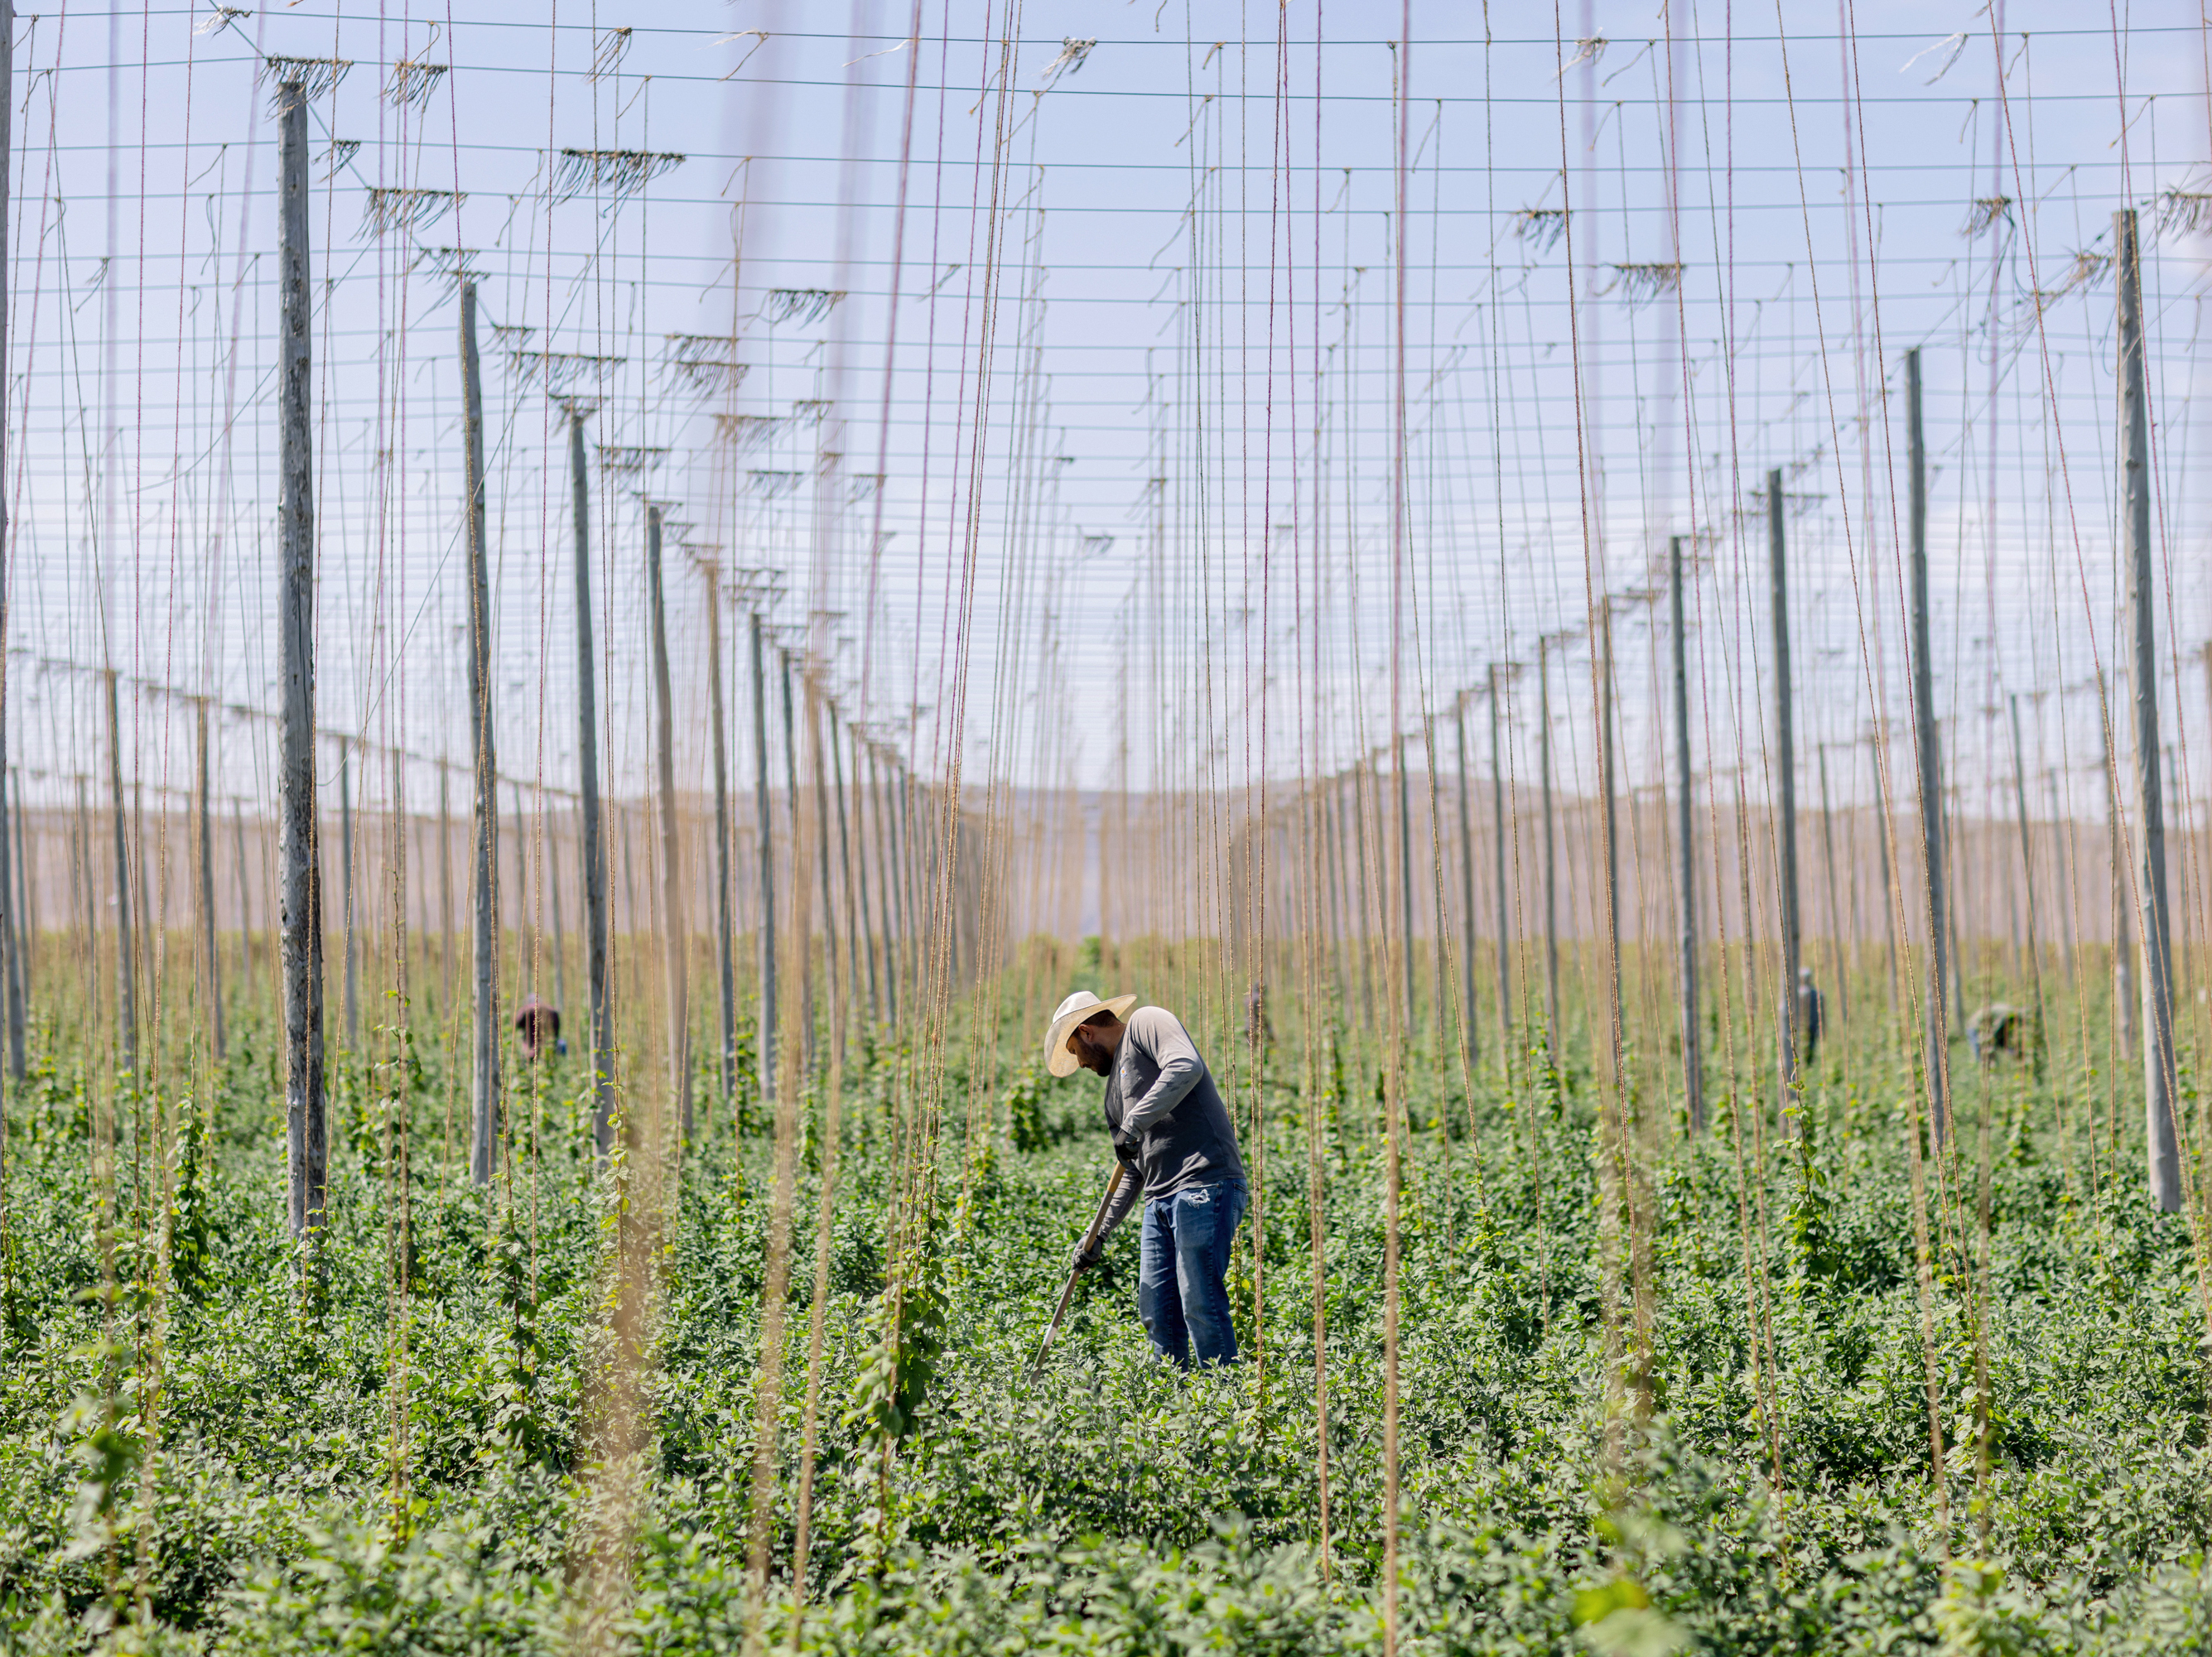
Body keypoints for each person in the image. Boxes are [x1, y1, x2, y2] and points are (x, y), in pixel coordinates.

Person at [1044, 989, 1248, 1369]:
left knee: (1199, 1301)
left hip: (1203, 1183)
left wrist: (1134, 1124)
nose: (1082, 1064)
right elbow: (1130, 1169)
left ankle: (1225, 1411)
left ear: (1087, 1032)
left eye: (1074, 1052)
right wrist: (1097, 1234)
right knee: (1159, 1311)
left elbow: (1186, 1066)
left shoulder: (1146, 1023)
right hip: (1159, 1200)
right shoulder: (1112, 1099)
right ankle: (1178, 1413)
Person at [514, 996, 564, 1062]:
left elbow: (517, 1025)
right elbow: (557, 1032)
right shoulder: (551, 1010)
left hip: (531, 1050)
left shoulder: (525, 1010)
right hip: (550, 1049)